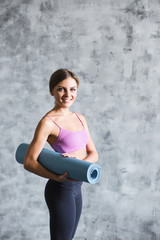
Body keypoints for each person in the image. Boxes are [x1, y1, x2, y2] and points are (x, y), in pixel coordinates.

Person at [24, 68, 98, 240]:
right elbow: (29, 161)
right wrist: (56, 177)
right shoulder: (48, 123)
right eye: (61, 89)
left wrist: (78, 166)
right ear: (52, 91)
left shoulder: (80, 118)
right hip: (61, 189)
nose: (67, 94)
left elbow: (93, 153)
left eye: (72, 89)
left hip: (77, 187)